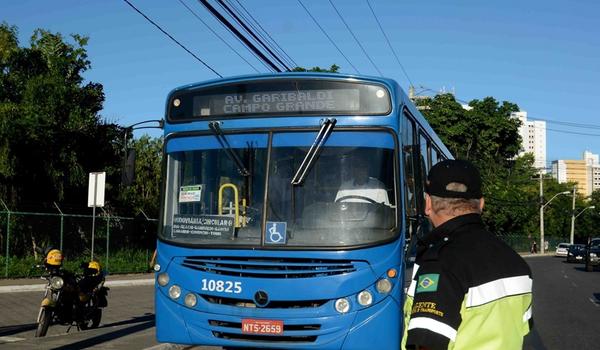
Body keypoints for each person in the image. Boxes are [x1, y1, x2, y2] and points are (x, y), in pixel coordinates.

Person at [402, 160, 533, 350]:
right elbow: (522, 329)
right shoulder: (516, 261)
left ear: (428, 204)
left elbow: (426, 344)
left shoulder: (439, 263)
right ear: (481, 204)